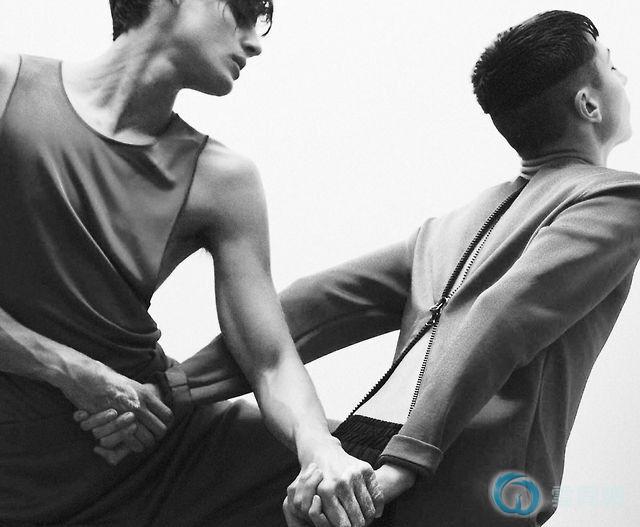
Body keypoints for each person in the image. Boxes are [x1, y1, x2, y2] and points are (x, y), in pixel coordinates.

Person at [83, 10, 640, 526]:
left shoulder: (448, 227)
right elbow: (503, 317)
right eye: (613, 67)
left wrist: (173, 387)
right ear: (588, 105)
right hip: (458, 486)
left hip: (356, 458)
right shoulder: (616, 199)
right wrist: (406, 464)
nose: (623, 78)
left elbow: (314, 305)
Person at [0, 0, 393, 525]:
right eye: (243, 12)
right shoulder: (9, 89)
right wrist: (76, 373)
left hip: (152, 448)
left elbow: (270, 359)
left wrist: (320, 447)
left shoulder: (222, 179)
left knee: (390, 475)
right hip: (44, 446)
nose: (255, 42)